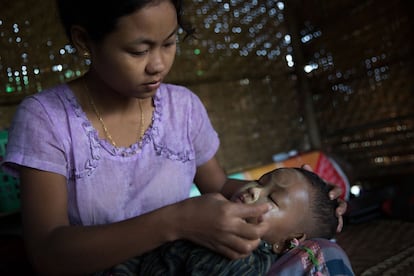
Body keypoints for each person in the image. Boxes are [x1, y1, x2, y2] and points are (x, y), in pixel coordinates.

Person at [0, 0, 347, 275]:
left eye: (170, 43)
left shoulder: (183, 108)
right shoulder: (46, 118)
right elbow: (48, 254)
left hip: (187, 263)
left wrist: (309, 209)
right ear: (84, 40)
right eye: (139, 50)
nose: (159, 65)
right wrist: (177, 221)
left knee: (321, 255)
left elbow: (219, 185)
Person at [98, 167, 351, 275]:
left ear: (287, 243)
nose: (253, 191)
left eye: (272, 199)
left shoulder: (243, 258)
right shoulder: (216, 225)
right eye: (261, 182)